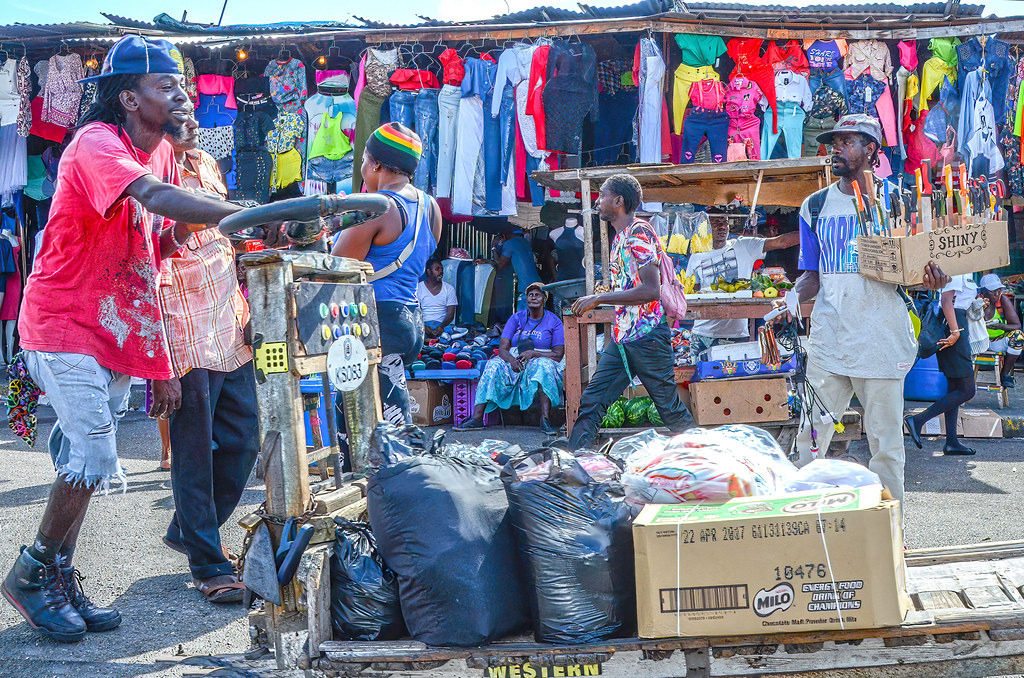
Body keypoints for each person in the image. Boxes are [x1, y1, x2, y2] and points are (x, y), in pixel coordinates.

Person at [2, 36, 254, 643]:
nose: (182, 95)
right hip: (65, 322)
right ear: (127, 97)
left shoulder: (165, 155)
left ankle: (57, 572)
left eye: (181, 85)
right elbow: (150, 197)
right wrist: (229, 212)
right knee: (93, 457)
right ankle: (33, 573)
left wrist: (203, 221)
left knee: (83, 460)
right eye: (165, 86)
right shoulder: (96, 144)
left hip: (113, 328)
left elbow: (152, 247)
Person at [786, 114, 949, 507]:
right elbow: (814, 274)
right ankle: (797, 521)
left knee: (886, 448)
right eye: (833, 142)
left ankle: (892, 528)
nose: (835, 149)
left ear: (871, 149)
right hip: (829, 342)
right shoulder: (815, 206)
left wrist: (934, 279)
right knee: (809, 439)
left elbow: (918, 270)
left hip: (882, 340)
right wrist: (791, 297)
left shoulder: (899, 201)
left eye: (846, 142)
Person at [158, 114, 259, 603]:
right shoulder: (145, 171)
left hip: (227, 322)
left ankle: (189, 529)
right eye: (178, 115)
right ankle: (208, 561)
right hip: (182, 328)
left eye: (191, 111)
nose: (192, 121)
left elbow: (220, 237)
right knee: (194, 452)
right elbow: (149, 251)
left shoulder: (206, 162)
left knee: (244, 439)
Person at [567, 175, 692, 451]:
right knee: (593, 401)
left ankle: (711, 460)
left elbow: (651, 290)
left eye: (602, 197)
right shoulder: (620, 238)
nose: (597, 202)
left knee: (670, 410)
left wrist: (599, 298)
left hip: (648, 338)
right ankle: (574, 466)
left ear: (619, 201)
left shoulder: (639, 232)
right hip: (624, 339)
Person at [332, 122, 441, 426]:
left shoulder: (375, 208)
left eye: (365, 160)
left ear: (377, 164)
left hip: (378, 323)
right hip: (410, 320)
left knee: (358, 417)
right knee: (383, 411)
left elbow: (335, 267)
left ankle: (381, 471)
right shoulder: (430, 207)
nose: (364, 168)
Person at [456, 281, 565, 435]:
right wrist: (512, 360)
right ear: (526, 298)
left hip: (542, 358)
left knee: (543, 367)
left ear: (544, 299)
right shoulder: (516, 318)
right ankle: (477, 418)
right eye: (530, 295)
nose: (533, 298)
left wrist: (534, 354)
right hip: (516, 357)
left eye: (537, 295)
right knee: (492, 365)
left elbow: (558, 354)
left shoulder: (554, 321)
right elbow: (502, 348)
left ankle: (545, 420)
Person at [685, 212, 799, 354]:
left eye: (724, 222)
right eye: (715, 223)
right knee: (698, 374)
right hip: (702, 334)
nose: (722, 227)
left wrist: (812, 231)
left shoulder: (743, 245)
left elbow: (782, 242)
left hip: (736, 335)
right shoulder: (696, 256)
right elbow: (692, 292)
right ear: (705, 227)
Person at [904, 275, 979, 455]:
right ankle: (918, 420)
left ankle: (952, 442)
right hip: (954, 324)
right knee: (968, 390)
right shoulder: (957, 266)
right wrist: (955, 333)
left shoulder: (965, 268)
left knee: (955, 388)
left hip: (955, 323)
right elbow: (946, 301)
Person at [978, 273, 1022, 388]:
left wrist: (1000, 326)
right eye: (993, 291)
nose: (996, 294)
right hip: (978, 342)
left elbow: (1017, 326)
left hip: (997, 342)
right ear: (983, 292)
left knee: (1018, 337)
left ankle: (1005, 374)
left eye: (998, 290)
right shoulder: (976, 302)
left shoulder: (1002, 301)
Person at [417, 256, 457, 337]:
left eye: (442, 269)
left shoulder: (449, 289)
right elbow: (415, 312)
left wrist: (441, 327)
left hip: (443, 325)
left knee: (449, 335)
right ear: (428, 271)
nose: (441, 271)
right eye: (437, 269)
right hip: (424, 324)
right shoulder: (418, 288)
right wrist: (423, 327)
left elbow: (450, 314)